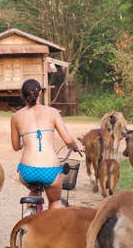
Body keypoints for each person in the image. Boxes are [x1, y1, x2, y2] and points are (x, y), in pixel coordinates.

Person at [11, 79, 85, 210]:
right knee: (55, 201)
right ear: (40, 93)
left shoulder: (16, 117)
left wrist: (25, 138)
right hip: (50, 171)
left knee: (34, 189)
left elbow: (16, 146)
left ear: (23, 95)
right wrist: (76, 146)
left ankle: (30, 215)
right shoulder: (53, 112)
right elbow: (68, 140)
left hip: (27, 171)